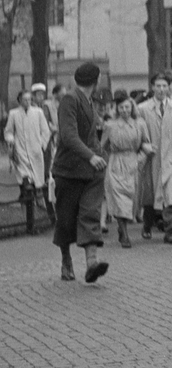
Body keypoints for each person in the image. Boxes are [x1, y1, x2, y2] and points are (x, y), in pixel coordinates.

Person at [52, 61, 109, 283]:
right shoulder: (70, 100)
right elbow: (68, 136)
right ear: (96, 80)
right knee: (66, 220)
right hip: (69, 170)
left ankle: (92, 263)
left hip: (91, 171)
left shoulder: (90, 101)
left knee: (90, 213)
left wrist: (100, 155)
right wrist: (91, 156)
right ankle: (66, 259)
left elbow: (91, 137)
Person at [101, 90, 155, 249]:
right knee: (119, 199)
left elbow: (146, 143)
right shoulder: (110, 125)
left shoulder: (140, 124)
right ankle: (124, 232)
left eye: (127, 107)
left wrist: (141, 158)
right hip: (116, 164)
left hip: (133, 163)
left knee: (131, 200)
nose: (124, 110)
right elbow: (102, 146)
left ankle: (122, 226)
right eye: (121, 108)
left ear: (132, 108)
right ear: (117, 109)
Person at [138, 73, 172, 244]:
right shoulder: (143, 108)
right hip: (152, 157)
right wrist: (144, 146)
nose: (161, 89)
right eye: (158, 86)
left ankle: (169, 230)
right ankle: (147, 224)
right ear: (152, 87)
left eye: (165, 86)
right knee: (150, 195)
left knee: (171, 195)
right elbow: (139, 132)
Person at [5, 89, 51, 234]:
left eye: (29, 99)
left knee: (38, 184)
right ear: (19, 100)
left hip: (36, 153)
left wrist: (41, 145)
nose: (27, 102)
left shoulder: (38, 113)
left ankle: (43, 216)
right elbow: (8, 131)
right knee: (27, 184)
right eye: (25, 100)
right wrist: (11, 141)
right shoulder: (14, 114)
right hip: (21, 153)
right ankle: (29, 221)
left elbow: (46, 131)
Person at [31, 82, 57, 226]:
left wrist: (52, 129)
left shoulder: (45, 107)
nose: (41, 97)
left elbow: (49, 123)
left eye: (42, 94)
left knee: (47, 176)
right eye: (38, 95)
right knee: (37, 176)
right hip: (36, 145)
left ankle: (51, 212)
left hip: (47, 145)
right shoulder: (31, 109)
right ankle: (38, 203)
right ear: (33, 96)